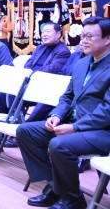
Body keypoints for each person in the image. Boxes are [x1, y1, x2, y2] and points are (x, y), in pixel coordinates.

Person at [16, 16, 110, 209]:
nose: (83, 41)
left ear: (107, 39)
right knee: (25, 131)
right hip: (72, 123)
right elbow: (67, 96)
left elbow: (107, 111)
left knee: (59, 145)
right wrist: (56, 115)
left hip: (102, 131)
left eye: (89, 36)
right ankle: (56, 187)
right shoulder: (81, 64)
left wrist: (75, 127)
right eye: (82, 36)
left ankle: (73, 198)